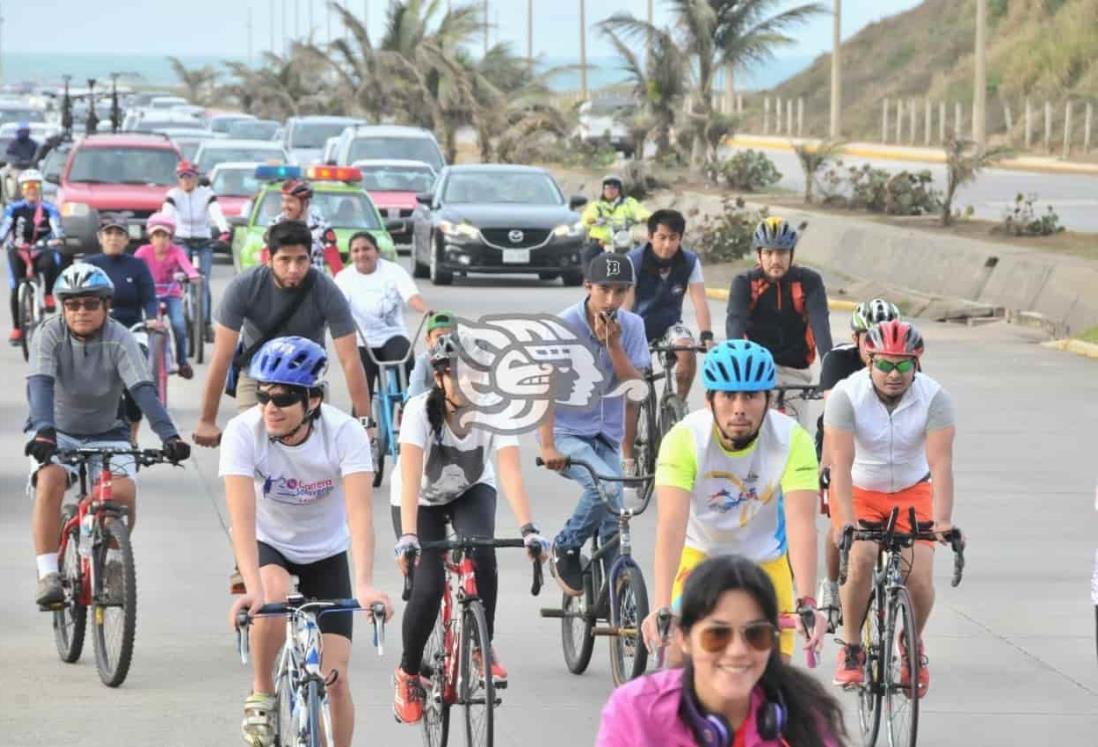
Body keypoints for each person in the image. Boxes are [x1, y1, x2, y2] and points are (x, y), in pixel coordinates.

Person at [222, 336, 392, 747]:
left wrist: (366, 584)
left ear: (313, 400)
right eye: (263, 395)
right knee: (272, 593)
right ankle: (262, 693)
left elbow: (360, 515)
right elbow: (242, 522)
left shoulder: (345, 433)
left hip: (327, 549)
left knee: (335, 678)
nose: (269, 408)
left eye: (282, 399)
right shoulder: (243, 432)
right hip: (271, 542)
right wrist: (253, 588)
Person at [391, 333, 549, 724]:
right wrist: (408, 536)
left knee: (482, 554)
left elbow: (510, 468)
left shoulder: (497, 409)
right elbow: (410, 473)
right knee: (427, 586)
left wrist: (529, 528)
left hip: (471, 489)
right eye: (463, 377)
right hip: (421, 500)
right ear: (441, 376)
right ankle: (409, 672)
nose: (473, 387)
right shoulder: (418, 411)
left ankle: (481, 644)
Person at [640, 340, 827, 665]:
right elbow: (671, 525)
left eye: (751, 396)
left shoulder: (793, 439)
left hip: (765, 561)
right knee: (674, 656)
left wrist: (807, 601)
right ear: (709, 399)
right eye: (728, 395)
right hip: (701, 557)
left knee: (774, 681)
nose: (739, 407)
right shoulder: (683, 439)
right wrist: (661, 605)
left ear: (769, 399)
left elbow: (801, 525)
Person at [25, 263, 190, 608]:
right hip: (55, 432)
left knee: (123, 492)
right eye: (73, 305)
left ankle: (113, 562)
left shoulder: (120, 337)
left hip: (108, 430)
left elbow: (143, 389)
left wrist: (169, 435)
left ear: (106, 306)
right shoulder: (48, 333)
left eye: (90, 304)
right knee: (50, 479)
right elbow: (39, 384)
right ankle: (48, 574)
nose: (81, 312)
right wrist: (43, 431)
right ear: (62, 307)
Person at [825, 320, 955, 697]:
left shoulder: (935, 398)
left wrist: (943, 521)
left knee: (919, 577)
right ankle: (852, 647)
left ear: (917, 363)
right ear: (869, 360)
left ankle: (911, 643)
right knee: (862, 556)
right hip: (860, 488)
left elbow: (942, 464)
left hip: (912, 490)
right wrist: (847, 521)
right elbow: (840, 466)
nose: (893, 374)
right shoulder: (846, 396)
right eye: (884, 364)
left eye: (903, 365)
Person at [599, 555, 846, 747]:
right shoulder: (635, 711)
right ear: (684, 638)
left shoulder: (805, 717)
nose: (738, 650)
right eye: (717, 635)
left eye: (756, 634)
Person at [195, 220, 371, 438]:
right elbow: (222, 357)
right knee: (253, 443)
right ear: (269, 259)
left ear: (310, 258)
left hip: (307, 380)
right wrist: (207, 421)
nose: (294, 269)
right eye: (284, 260)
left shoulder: (326, 290)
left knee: (315, 450)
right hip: (257, 378)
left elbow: (351, 360)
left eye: (301, 260)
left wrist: (365, 423)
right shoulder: (244, 287)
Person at [538, 253, 649, 596]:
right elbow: (545, 388)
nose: (612, 300)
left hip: (608, 435)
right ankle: (566, 545)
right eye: (604, 290)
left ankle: (621, 600)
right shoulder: (563, 326)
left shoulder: (632, 327)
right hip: (567, 433)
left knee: (617, 517)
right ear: (588, 287)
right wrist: (547, 446)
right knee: (607, 489)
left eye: (620, 291)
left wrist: (614, 345)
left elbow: (637, 390)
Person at [814, 299, 901, 624]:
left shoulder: (901, 362)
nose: (878, 344)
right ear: (855, 339)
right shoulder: (838, 362)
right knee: (840, 521)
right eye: (869, 337)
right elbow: (836, 423)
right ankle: (832, 582)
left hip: (880, 448)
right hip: (838, 442)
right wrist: (829, 470)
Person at [622, 208, 714, 478]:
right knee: (634, 392)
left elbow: (700, 300)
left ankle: (676, 407)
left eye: (673, 238)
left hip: (668, 325)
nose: (667, 244)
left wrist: (706, 335)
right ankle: (627, 456)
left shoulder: (689, 262)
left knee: (686, 348)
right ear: (650, 237)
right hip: (638, 325)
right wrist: (624, 339)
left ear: (680, 239)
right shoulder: (634, 261)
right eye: (661, 237)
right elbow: (626, 305)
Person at [725, 217, 833, 433]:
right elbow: (735, 325)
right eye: (768, 253)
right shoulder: (745, 283)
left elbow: (820, 324)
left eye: (782, 253)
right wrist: (737, 370)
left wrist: (830, 375)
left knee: (797, 437)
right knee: (748, 434)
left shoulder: (808, 282)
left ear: (791, 254)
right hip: (756, 371)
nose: (776, 259)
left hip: (796, 372)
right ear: (759, 255)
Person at [334, 231, 427, 401]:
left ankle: (407, 407)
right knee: (362, 390)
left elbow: (411, 297)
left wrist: (427, 311)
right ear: (351, 255)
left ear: (376, 251)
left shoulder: (393, 271)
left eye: (366, 249)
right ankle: (362, 424)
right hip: (362, 342)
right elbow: (337, 308)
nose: (361, 254)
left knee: (406, 367)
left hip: (392, 337)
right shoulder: (343, 278)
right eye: (356, 251)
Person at [161, 160, 230, 339]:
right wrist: (164, 231)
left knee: (203, 282)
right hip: (181, 240)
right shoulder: (173, 195)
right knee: (182, 279)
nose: (186, 181)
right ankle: (182, 308)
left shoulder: (206, 194)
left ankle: (206, 323)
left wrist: (224, 230)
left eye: (190, 177)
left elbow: (217, 213)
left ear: (197, 178)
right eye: (182, 177)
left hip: (204, 241)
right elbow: (166, 215)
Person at [134, 213, 202, 380]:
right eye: (157, 236)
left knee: (179, 325)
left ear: (170, 237)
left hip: (171, 293)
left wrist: (192, 275)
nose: (161, 240)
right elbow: (133, 266)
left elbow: (186, 265)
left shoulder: (176, 251)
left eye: (165, 236)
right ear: (150, 237)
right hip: (150, 295)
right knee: (148, 325)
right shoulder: (143, 251)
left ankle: (182, 361)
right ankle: (147, 360)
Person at [2, 168, 64, 342]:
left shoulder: (49, 209)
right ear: (22, 189)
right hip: (19, 250)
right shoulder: (14, 209)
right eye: (27, 186)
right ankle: (16, 328)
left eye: (35, 185)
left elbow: (57, 229)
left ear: (40, 188)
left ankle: (48, 294)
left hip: (41, 249)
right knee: (15, 288)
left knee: (52, 260)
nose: (31, 189)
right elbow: (5, 227)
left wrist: (58, 239)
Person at [262, 178, 343, 275]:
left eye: (290, 201)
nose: (285, 206)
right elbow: (266, 261)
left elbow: (335, 264)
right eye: (283, 201)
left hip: (313, 285)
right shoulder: (274, 226)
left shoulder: (321, 227)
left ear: (305, 204)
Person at [580, 174, 651, 266]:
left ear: (619, 189)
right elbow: (587, 217)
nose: (610, 190)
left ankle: (640, 277)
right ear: (603, 190)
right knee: (587, 254)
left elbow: (639, 210)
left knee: (644, 254)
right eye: (607, 188)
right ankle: (589, 279)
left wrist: (646, 217)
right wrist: (592, 219)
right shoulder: (597, 205)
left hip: (624, 239)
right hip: (602, 242)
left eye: (614, 187)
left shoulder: (628, 202)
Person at [406, 310, 455, 398]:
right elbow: (415, 391)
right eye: (438, 336)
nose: (444, 340)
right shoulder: (423, 361)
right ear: (429, 340)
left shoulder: (460, 360)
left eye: (450, 335)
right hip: (428, 404)